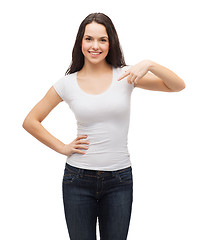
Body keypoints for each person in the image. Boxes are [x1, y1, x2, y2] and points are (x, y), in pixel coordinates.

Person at [22, 12, 186, 240]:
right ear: (80, 42)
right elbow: (30, 121)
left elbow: (177, 86)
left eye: (102, 39)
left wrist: (149, 64)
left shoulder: (126, 76)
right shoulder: (67, 84)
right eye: (89, 39)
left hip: (119, 180)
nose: (95, 46)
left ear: (111, 43)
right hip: (77, 179)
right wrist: (62, 147)